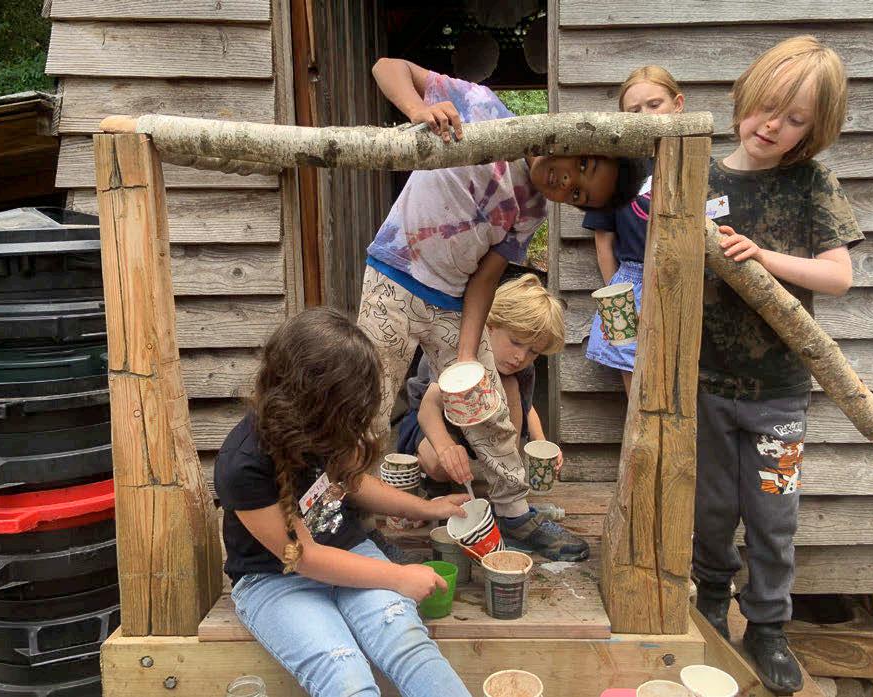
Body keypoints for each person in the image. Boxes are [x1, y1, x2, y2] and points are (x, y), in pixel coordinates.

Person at [358, 57, 650, 562]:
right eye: (581, 165)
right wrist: (417, 110)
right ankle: (356, 520)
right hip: (393, 279)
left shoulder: (532, 209)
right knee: (367, 406)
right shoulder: (482, 108)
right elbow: (387, 67)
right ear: (572, 137)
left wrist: (467, 355)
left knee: (488, 406)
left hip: (452, 300)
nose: (566, 181)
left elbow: (486, 277)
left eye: (578, 193)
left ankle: (514, 513)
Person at [691, 36, 864, 694]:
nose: (772, 127)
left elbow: (837, 276)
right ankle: (711, 601)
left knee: (772, 513)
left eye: (794, 120)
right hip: (704, 382)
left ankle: (766, 626)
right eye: (767, 107)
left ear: (812, 131)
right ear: (745, 96)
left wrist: (762, 258)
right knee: (710, 505)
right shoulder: (699, 176)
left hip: (779, 391)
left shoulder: (811, 182)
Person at [214, 308, 472, 697]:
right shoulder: (243, 463)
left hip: (348, 552)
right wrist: (399, 576)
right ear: (315, 401)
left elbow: (352, 484)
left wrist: (428, 508)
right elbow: (305, 558)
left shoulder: (321, 425)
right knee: (344, 673)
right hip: (276, 579)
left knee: (409, 646)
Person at [395, 274, 565, 493]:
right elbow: (428, 408)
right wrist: (446, 449)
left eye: (533, 351)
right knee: (438, 466)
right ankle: (422, 467)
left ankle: (507, 469)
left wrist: (541, 443)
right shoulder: (460, 349)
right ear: (490, 325)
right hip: (434, 421)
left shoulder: (523, 369)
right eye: (515, 342)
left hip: (482, 422)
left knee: (510, 385)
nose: (521, 357)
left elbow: (527, 406)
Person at [583, 65, 685, 393]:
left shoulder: (698, 164)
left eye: (655, 105)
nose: (646, 116)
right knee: (634, 378)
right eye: (634, 111)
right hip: (630, 283)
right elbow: (603, 239)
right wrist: (616, 297)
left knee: (682, 373)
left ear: (678, 104)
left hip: (684, 280)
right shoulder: (615, 171)